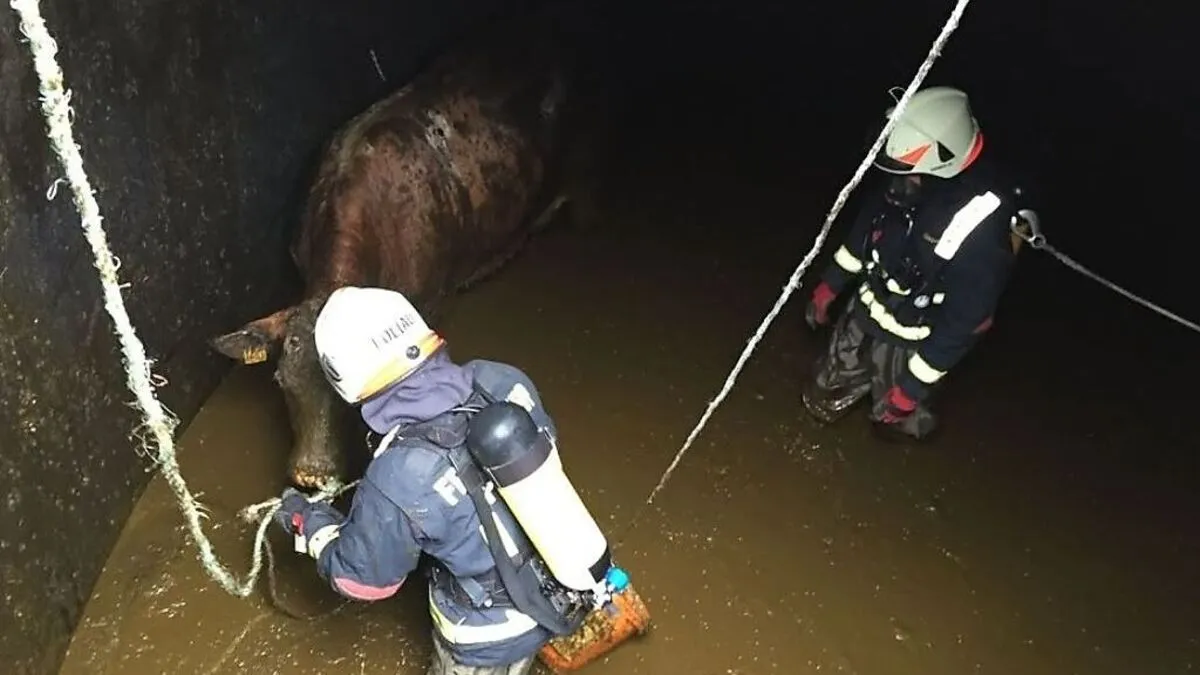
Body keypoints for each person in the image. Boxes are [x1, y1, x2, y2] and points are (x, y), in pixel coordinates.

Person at [274, 285, 577, 675]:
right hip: (564, 574)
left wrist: (308, 522)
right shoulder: (502, 379)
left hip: (488, 635)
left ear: (343, 379)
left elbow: (363, 581)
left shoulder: (398, 474)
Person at [801, 85, 1026, 442]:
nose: (898, 174)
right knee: (823, 392)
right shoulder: (904, 184)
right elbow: (865, 233)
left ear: (942, 158)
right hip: (863, 316)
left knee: (894, 421)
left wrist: (912, 388)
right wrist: (830, 285)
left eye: (908, 167)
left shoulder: (982, 231)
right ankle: (807, 442)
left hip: (911, 345)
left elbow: (968, 322)